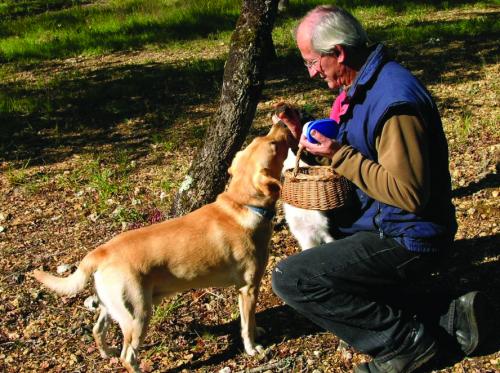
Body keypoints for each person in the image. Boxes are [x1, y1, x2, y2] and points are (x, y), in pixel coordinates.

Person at [271, 5, 491, 373]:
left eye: (312, 62)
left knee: (293, 278)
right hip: (383, 220)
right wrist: (304, 141)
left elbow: (409, 194)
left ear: (338, 52)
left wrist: (340, 154)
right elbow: (362, 154)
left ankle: (405, 343)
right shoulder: (363, 86)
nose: (311, 73)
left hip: (410, 235)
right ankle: (450, 316)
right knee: (325, 261)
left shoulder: (394, 102)